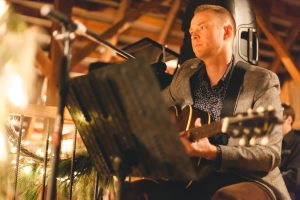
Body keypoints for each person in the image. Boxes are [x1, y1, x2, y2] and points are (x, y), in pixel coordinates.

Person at [124, 4, 290, 200]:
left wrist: (213, 152)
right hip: (195, 178)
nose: (193, 35)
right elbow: (156, 109)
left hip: (248, 179)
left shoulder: (261, 80)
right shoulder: (187, 73)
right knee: (132, 192)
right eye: (192, 30)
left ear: (227, 32)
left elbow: (269, 155)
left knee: (225, 197)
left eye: (201, 27)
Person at [280, 103, 300, 199]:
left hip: (290, 191)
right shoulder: (272, 141)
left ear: (289, 120)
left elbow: (294, 177)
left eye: (278, 120)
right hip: (272, 186)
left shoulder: (298, 142)